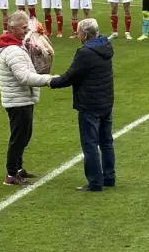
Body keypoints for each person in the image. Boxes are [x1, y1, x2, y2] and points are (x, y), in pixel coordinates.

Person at [50, 18, 116, 192]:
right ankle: (109, 177)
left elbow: (69, 77)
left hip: (90, 103)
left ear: (85, 34)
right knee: (106, 141)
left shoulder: (85, 53)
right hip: (106, 101)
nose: (77, 35)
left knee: (90, 144)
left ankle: (95, 182)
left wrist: (50, 81)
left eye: (78, 32)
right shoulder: (105, 46)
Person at [0, 10, 55, 186]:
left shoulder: (16, 45)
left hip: (20, 98)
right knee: (19, 136)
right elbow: (24, 77)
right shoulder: (13, 50)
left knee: (24, 135)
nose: (25, 30)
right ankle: (11, 173)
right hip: (17, 99)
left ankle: (18, 169)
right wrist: (49, 80)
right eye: (23, 28)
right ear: (12, 29)